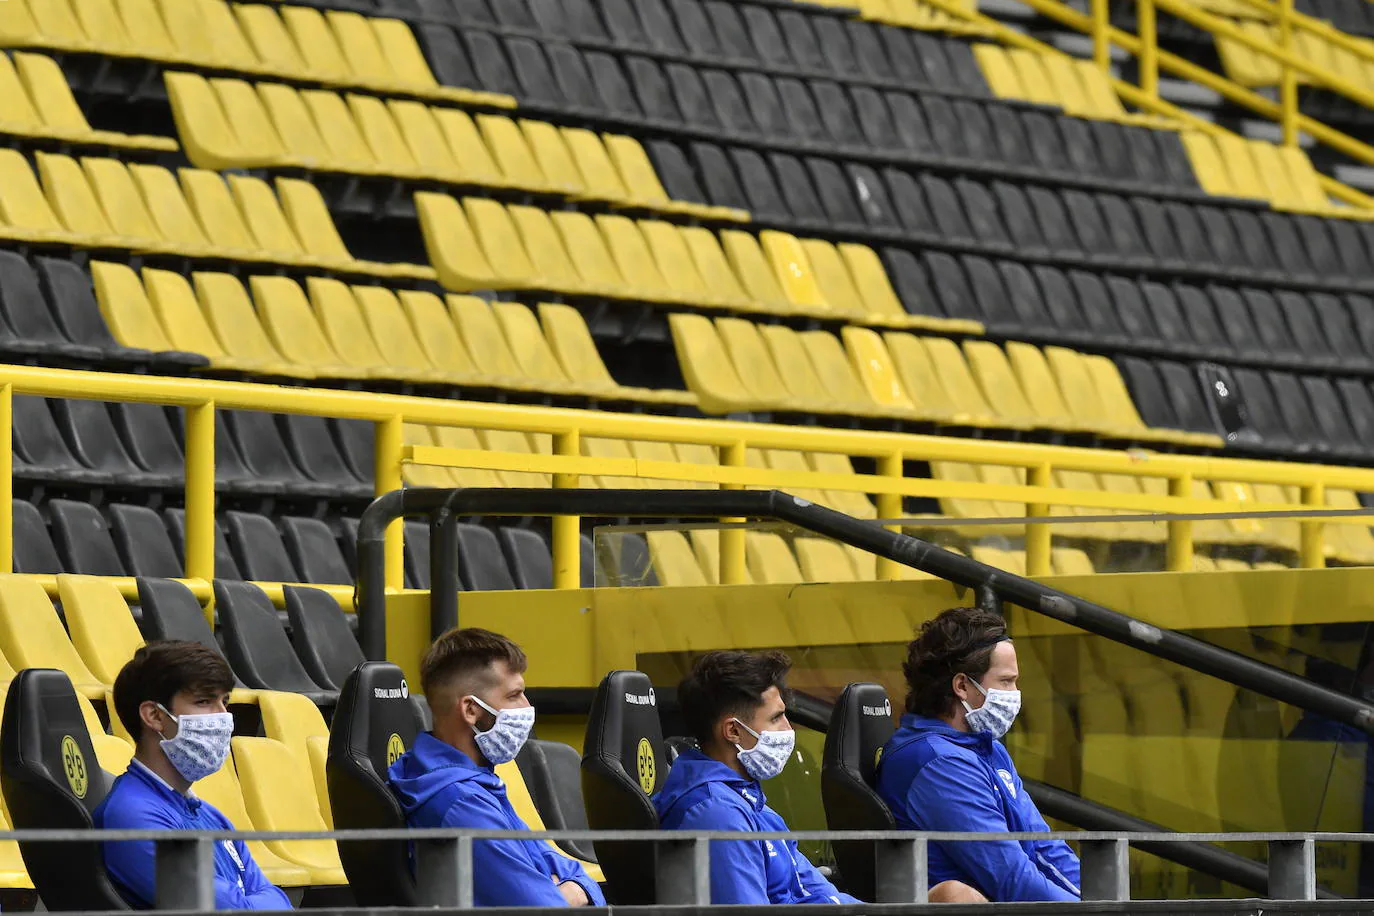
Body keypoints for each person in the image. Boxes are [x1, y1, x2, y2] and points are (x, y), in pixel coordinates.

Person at [875, 606, 1079, 903]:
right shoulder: (937, 762)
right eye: (1006, 681)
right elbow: (1011, 878)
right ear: (961, 686)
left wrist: (1109, 902)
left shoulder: (986, 748)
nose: (1015, 693)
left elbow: (1045, 848)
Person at [388, 627, 603, 908]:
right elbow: (544, 909)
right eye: (514, 696)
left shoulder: (474, 781)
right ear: (471, 711)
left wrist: (568, 887)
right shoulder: (459, 800)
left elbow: (568, 869)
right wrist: (571, 891)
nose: (527, 706)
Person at [654, 650, 861, 905]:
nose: (788, 728)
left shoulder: (749, 800)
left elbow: (821, 893)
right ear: (733, 730)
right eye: (776, 718)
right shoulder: (716, 815)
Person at [95, 641, 290, 910]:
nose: (223, 717)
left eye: (225, 701)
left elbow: (277, 899)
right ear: (154, 716)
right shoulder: (134, 818)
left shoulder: (209, 815)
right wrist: (251, 901)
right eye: (204, 701)